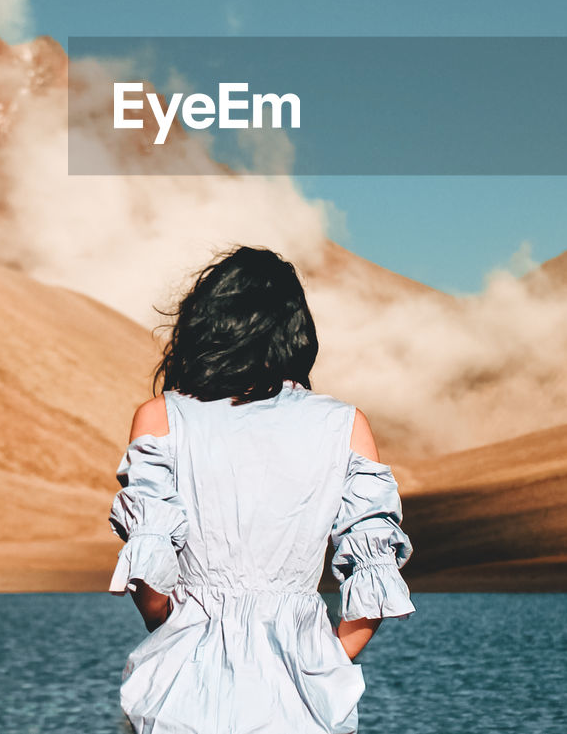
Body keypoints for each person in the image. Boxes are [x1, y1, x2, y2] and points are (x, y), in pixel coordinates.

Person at [108, 245, 415, 734]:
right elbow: (373, 582)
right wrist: (323, 660)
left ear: (206, 324)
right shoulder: (346, 425)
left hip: (181, 690)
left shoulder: (161, 417)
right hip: (303, 697)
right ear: (296, 331)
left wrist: (178, 633)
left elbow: (149, 575)